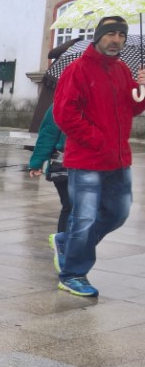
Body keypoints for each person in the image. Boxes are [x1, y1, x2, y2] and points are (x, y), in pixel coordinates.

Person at [51, 16, 145, 297]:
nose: (116, 40)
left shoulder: (123, 70)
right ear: (98, 36)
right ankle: (73, 274)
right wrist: (97, 140)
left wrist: (143, 90)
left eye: (121, 35)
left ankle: (66, 242)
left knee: (118, 214)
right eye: (110, 34)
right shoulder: (78, 69)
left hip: (118, 159)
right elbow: (64, 114)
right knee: (85, 218)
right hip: (87, 159)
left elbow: (133, 109)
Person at [27, 106, 71, 260]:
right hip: (64, 163)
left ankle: (68, 243)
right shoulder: (60, 104)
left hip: (91, 163)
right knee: (71, 204)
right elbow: (48, 133)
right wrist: (37, 162)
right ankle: (64, 247)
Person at [28, 38, 81, 133]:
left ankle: (36, 134)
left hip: (55, 79)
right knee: (48, 110)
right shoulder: (78, 45)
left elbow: (52, 53)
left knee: (46, 110)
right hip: (55, 80)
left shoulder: (80, 48)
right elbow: (51, 54)